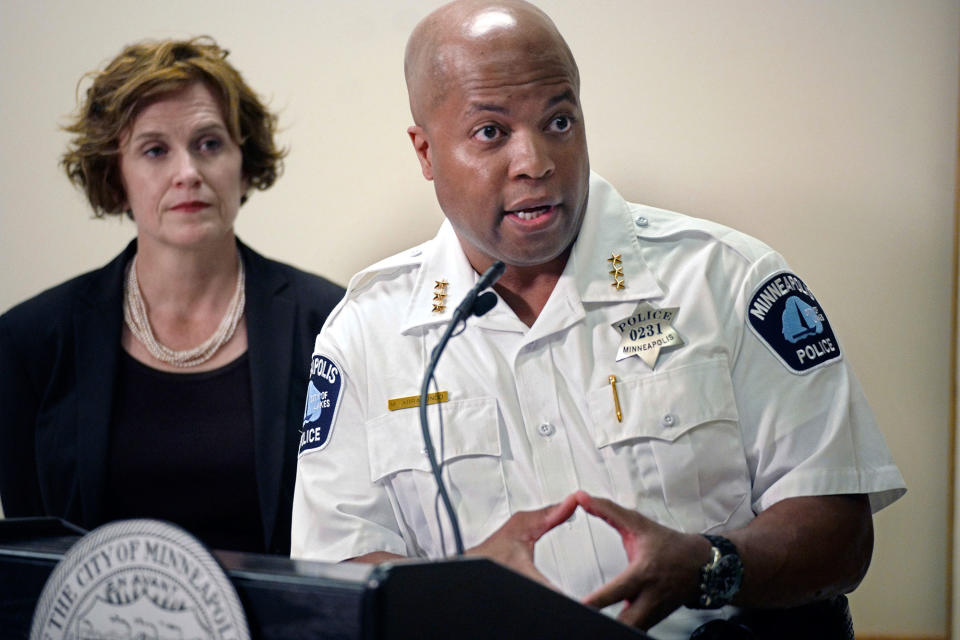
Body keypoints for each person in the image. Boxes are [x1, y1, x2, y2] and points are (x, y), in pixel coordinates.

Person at [290, 2, 905, 637]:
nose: (535, 162)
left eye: (559, 121)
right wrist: (462, 589)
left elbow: (839, 530)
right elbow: (334, 573)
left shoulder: (727, 280)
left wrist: (708, 565)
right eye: (491, 133)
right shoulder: (367, 332)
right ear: (425, 150)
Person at [0, 37, 345, 555]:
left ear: (244, 164)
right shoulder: (30, 343)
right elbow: (31, 564)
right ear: (115, 177)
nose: (188, 173)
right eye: (155, 150)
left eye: (209, 143)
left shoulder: (329, 324)